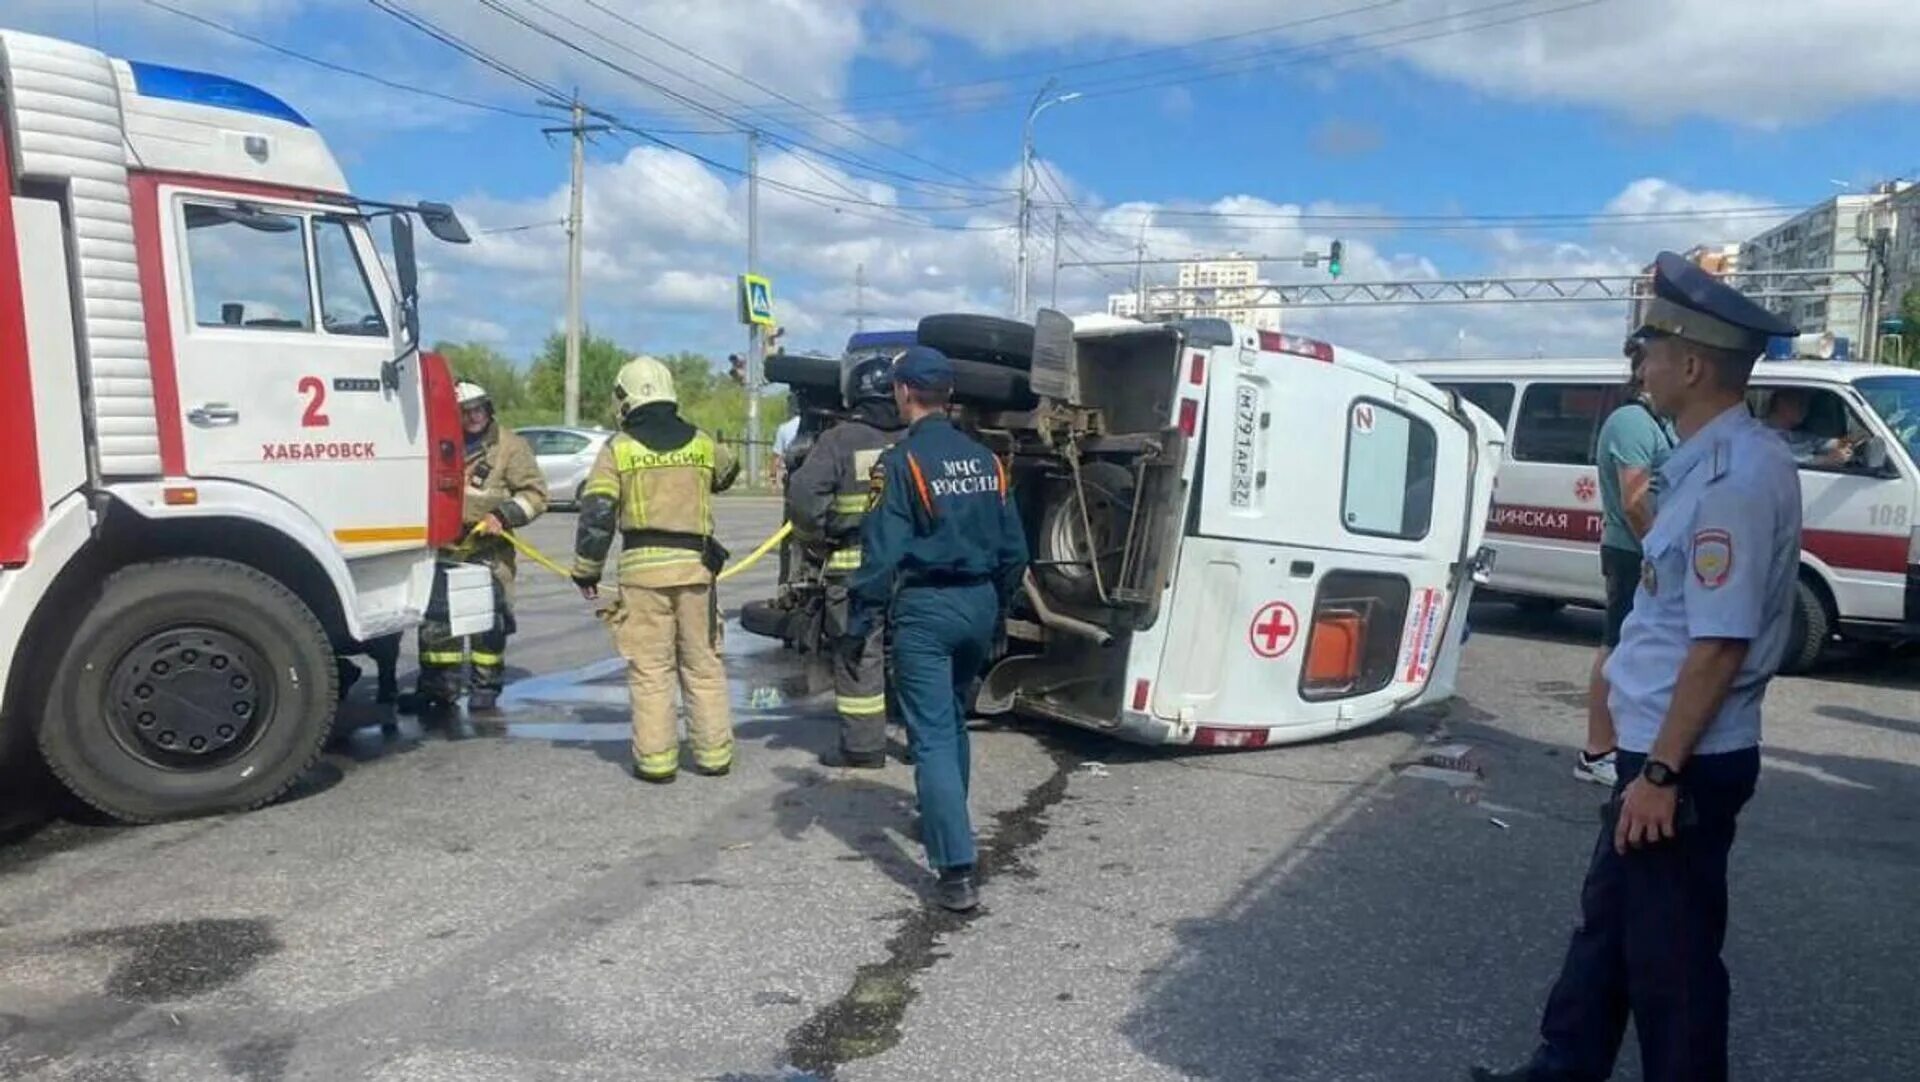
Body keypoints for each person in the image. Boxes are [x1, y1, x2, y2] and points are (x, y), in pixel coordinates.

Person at [1473, 252, 1801, 1082]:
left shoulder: (1732, 479)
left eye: (1649, 350)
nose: (1640, 365)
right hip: (1658, 752)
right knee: (1609, 927)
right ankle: (1561, 1068)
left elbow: (1718, 643)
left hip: (1681, 761)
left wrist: (1659, 772)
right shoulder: (1707, 462)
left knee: (1673, 964)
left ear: (1690, 364)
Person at [847, 346, 1028, 912]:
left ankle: (956, 869)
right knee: (951, 720)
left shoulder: (899, 464)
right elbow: (1015, 550)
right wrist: (998, 610)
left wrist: (859, 621)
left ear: (903, 392)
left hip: (926, 609)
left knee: (928, 737)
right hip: (978, 605)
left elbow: (880, 554)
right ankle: (947, 821)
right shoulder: (987, 461)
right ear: (948, 395)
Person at [570, 356, 740, 784]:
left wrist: (586, 570)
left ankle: (657, 761)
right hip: (696, 572)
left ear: (626, 399)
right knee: (703, 664)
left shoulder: (618, 448)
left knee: (651, 669)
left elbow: (597, 514)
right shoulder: (701, 442)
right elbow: (728, 472)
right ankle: (713, 754)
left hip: (642, 577)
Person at [785, 354, 905, 769]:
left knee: (859, 658)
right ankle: (923, 744)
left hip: (854, 568)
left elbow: (803, 499)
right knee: (916, 655)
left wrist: (814, 539)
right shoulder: (917, 436)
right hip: (914, 571)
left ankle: (863, 747)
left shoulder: (839, 440)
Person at [400, 381, 547, 716]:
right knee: (438, 624)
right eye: (464, 412)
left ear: (488, 408)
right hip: (445, 549)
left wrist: (503, 515)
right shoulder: (440, 443)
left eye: (478, 409)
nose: (472, 417)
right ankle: (439, 687)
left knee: (488, 623)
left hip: (489, 551)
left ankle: (485, 687)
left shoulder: (510, 447)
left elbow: (536, 495)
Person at [1577, 345, 1677, 786]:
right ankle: (1597, 751)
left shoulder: (1659, 422)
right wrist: (1659, 550)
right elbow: (1635, 502)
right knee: (1615, 645)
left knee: (1636, 647)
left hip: (1648, 546)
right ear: (1642, 372)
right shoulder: (1631, 422)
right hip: (1633, 550)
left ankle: (1626, 742)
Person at [1762, 387, 1856, 468]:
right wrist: (1827, 460)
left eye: (1806, 401)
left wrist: (1850, 441)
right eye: (1800, 401)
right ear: (1781, 401)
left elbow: (1823, 443)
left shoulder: (1798, 434)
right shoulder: (1761, 435)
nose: (1805, 406)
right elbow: (1788, 463)